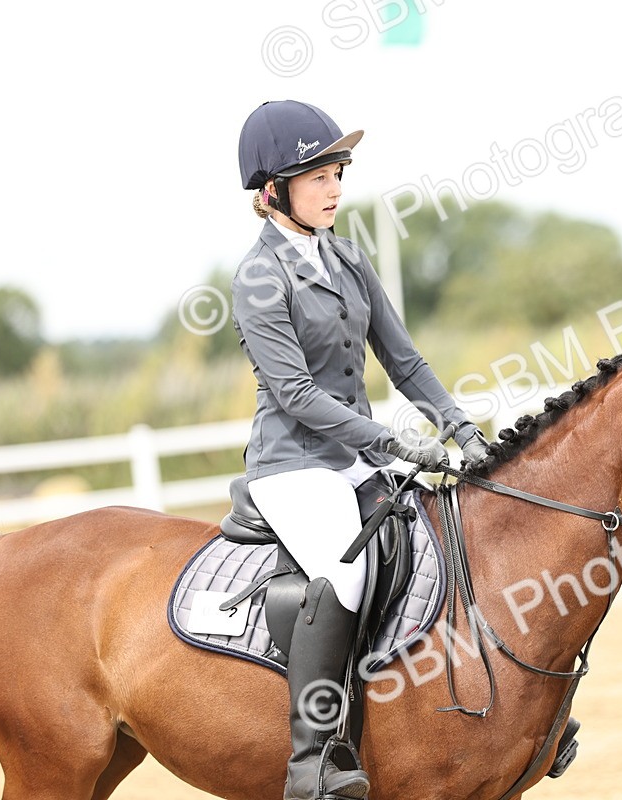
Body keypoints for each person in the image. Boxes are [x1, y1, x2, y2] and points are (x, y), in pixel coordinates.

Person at [233, 99, 488, 800]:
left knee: (446, 538)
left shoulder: (346, 255)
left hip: (358, 456)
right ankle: (312, 757)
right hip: (296, 465)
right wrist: (392, 440)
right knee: (344, 574)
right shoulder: (259, 279)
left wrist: (462, 432)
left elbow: (404, 361)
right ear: (272, 191)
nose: (335, 185)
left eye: (337, 169)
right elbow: (295, 395)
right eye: (316, 175)